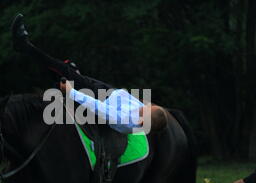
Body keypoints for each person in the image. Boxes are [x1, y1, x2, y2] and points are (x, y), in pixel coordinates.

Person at [11, 13, 168, 135]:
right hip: (108, 91)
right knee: (68, 70)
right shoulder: (143, 117)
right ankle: (68, 72)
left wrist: (72, 93)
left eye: (147, 109)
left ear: (141, 120)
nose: (146, 105)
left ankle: (24, 46)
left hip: (100, 97)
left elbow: (97, 106)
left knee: (63, 70)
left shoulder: (123, 120)